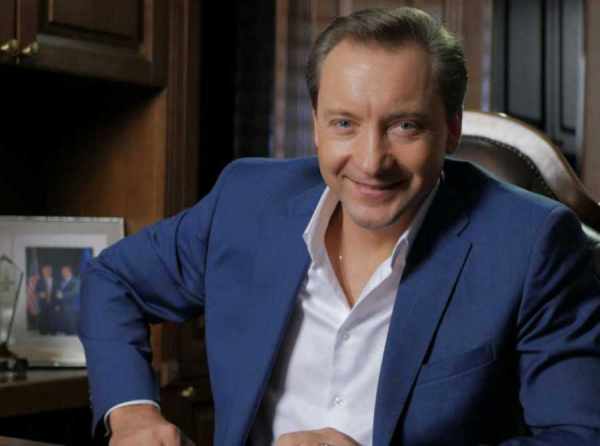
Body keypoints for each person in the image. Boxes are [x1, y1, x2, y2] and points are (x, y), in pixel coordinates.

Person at [79, 6, 600, 446]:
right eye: (344, 123)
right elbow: (111, 279)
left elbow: (577, 436)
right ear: (316, 125)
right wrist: (132, 413)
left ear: (452, 129)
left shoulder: (530, 244)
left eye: (405, 125)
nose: (371, 162)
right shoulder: (246, 202)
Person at [56, 265, 80, 334]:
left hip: (72, 306)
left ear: (68, 271)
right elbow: (60, 293)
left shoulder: (75, 281)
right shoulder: (63, 282)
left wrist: (62, 295)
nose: (62, 273)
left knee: (72, 326)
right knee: (67, 328)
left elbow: (75, 293)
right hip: (64, 307)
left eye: (63, 271)